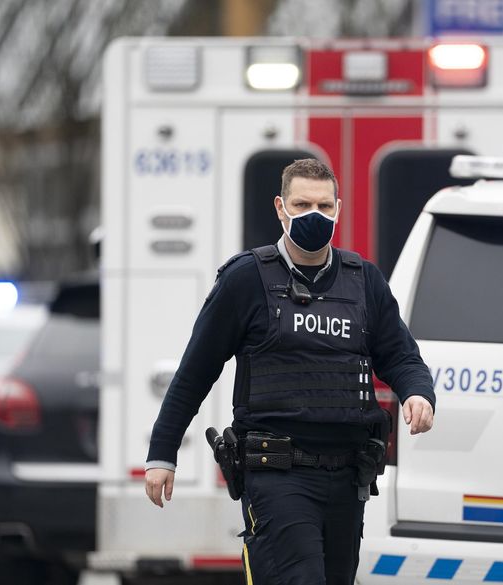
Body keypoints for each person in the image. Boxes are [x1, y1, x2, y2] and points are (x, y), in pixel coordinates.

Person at [144, 158, 435, 585]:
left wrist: (418, 392)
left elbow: (401, 354)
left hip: (348, 476)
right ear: (280, 208)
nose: (313, 215)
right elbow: (196, 369)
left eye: (323, 205)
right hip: (277, 474)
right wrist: (162, 451)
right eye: (301, 205)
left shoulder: (363, 281)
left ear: (339, 208)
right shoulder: (246, 279)